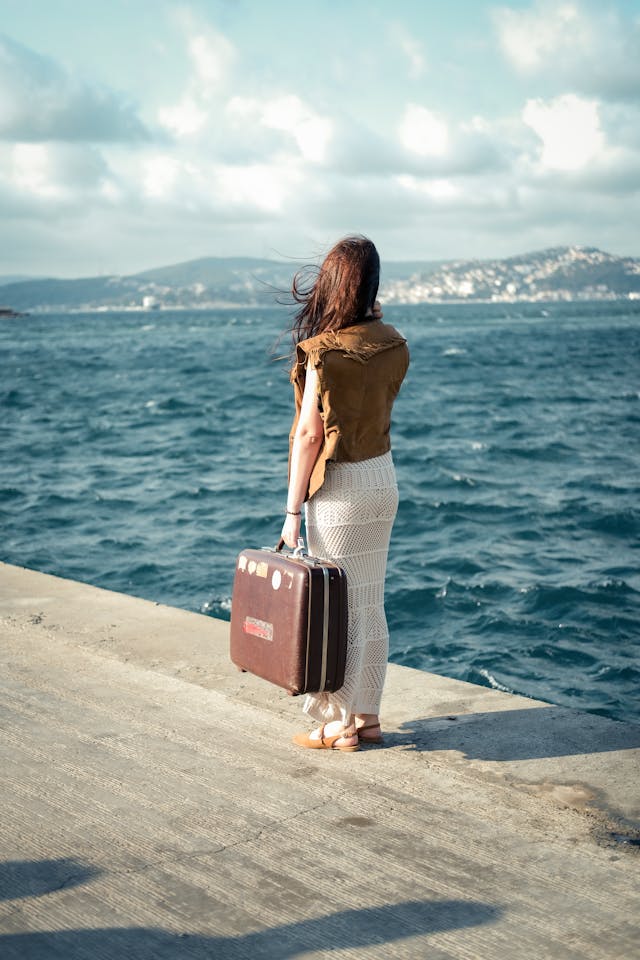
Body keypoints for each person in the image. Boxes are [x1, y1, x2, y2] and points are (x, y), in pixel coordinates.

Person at [281, 235, 410, 752]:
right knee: (370, 605)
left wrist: (292, 510)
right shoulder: (396, 343)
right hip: (382, 481)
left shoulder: (323, 354)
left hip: (340, 491)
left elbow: (310, 436)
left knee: (340, 612)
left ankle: (341, 727)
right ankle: (369, 717)